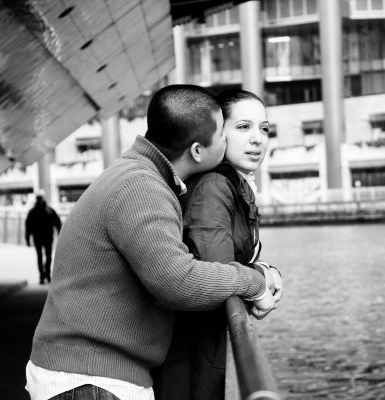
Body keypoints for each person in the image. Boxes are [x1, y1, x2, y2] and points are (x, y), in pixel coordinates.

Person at [25, 85, 277, 400]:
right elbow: (178, 281)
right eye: (225, 134)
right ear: (198, 150)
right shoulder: (142, 188)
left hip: (97, 374)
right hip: (91, 380)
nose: (238, 141)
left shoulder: (143, 177)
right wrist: (254, 281)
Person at [153, 89, 282, 400]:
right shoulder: (214, 186)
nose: (257, 139)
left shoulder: (236, 187)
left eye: (264, 129)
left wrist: (263, 269)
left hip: (204, 340)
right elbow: (218, 273)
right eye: (243, 127)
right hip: (187, 349)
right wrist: (261, 280)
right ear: (218, 134)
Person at [25, 192, 62, 285]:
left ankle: (45, 274)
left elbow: (28, 226)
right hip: (45, 237)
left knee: (44, 256)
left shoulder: (34, 211)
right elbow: (57, 223)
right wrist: (27, 239)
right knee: (44, 256)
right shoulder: (48, 210)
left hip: (41, 237)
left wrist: (28, 238)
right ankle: (44, 275)